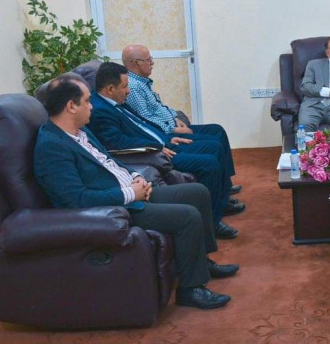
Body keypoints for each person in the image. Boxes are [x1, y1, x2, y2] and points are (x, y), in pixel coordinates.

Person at [33, 75, 240, 310]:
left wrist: (134, 176)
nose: (92, 106)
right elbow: (76, 199)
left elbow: (110, 160)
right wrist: (131, 193)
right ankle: (190, 289)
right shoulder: (51, 146)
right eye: (88, 101)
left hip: (131, 191)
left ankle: (201, 262)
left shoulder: (81, 131)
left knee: (197, 193)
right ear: (71, 106)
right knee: (187, 216)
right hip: (117, 208)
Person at [87, 61, 239, 239]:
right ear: (110, 89)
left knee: (214, 146)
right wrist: (157, 146)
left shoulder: (114, 101)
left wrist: (166, 137)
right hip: (155, 153)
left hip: (164, 142)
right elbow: (117, 142)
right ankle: (212, 223)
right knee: (209, 163)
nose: (128, 91)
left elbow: (143, 123)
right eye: (125, 86)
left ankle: (221, 200)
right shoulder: (100, 110)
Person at [121, 44, 244, 212]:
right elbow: (145, 119)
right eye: (149, 59)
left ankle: (224, 187)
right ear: (136, 63)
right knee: (214, 145)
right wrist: (172, 128)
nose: (152, 62)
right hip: (166, 133)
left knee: (217, 130)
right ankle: (221, 199)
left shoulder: (142, 82)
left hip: (170, 126)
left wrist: (175, 117)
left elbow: (159, 108)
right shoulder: (134, 87)